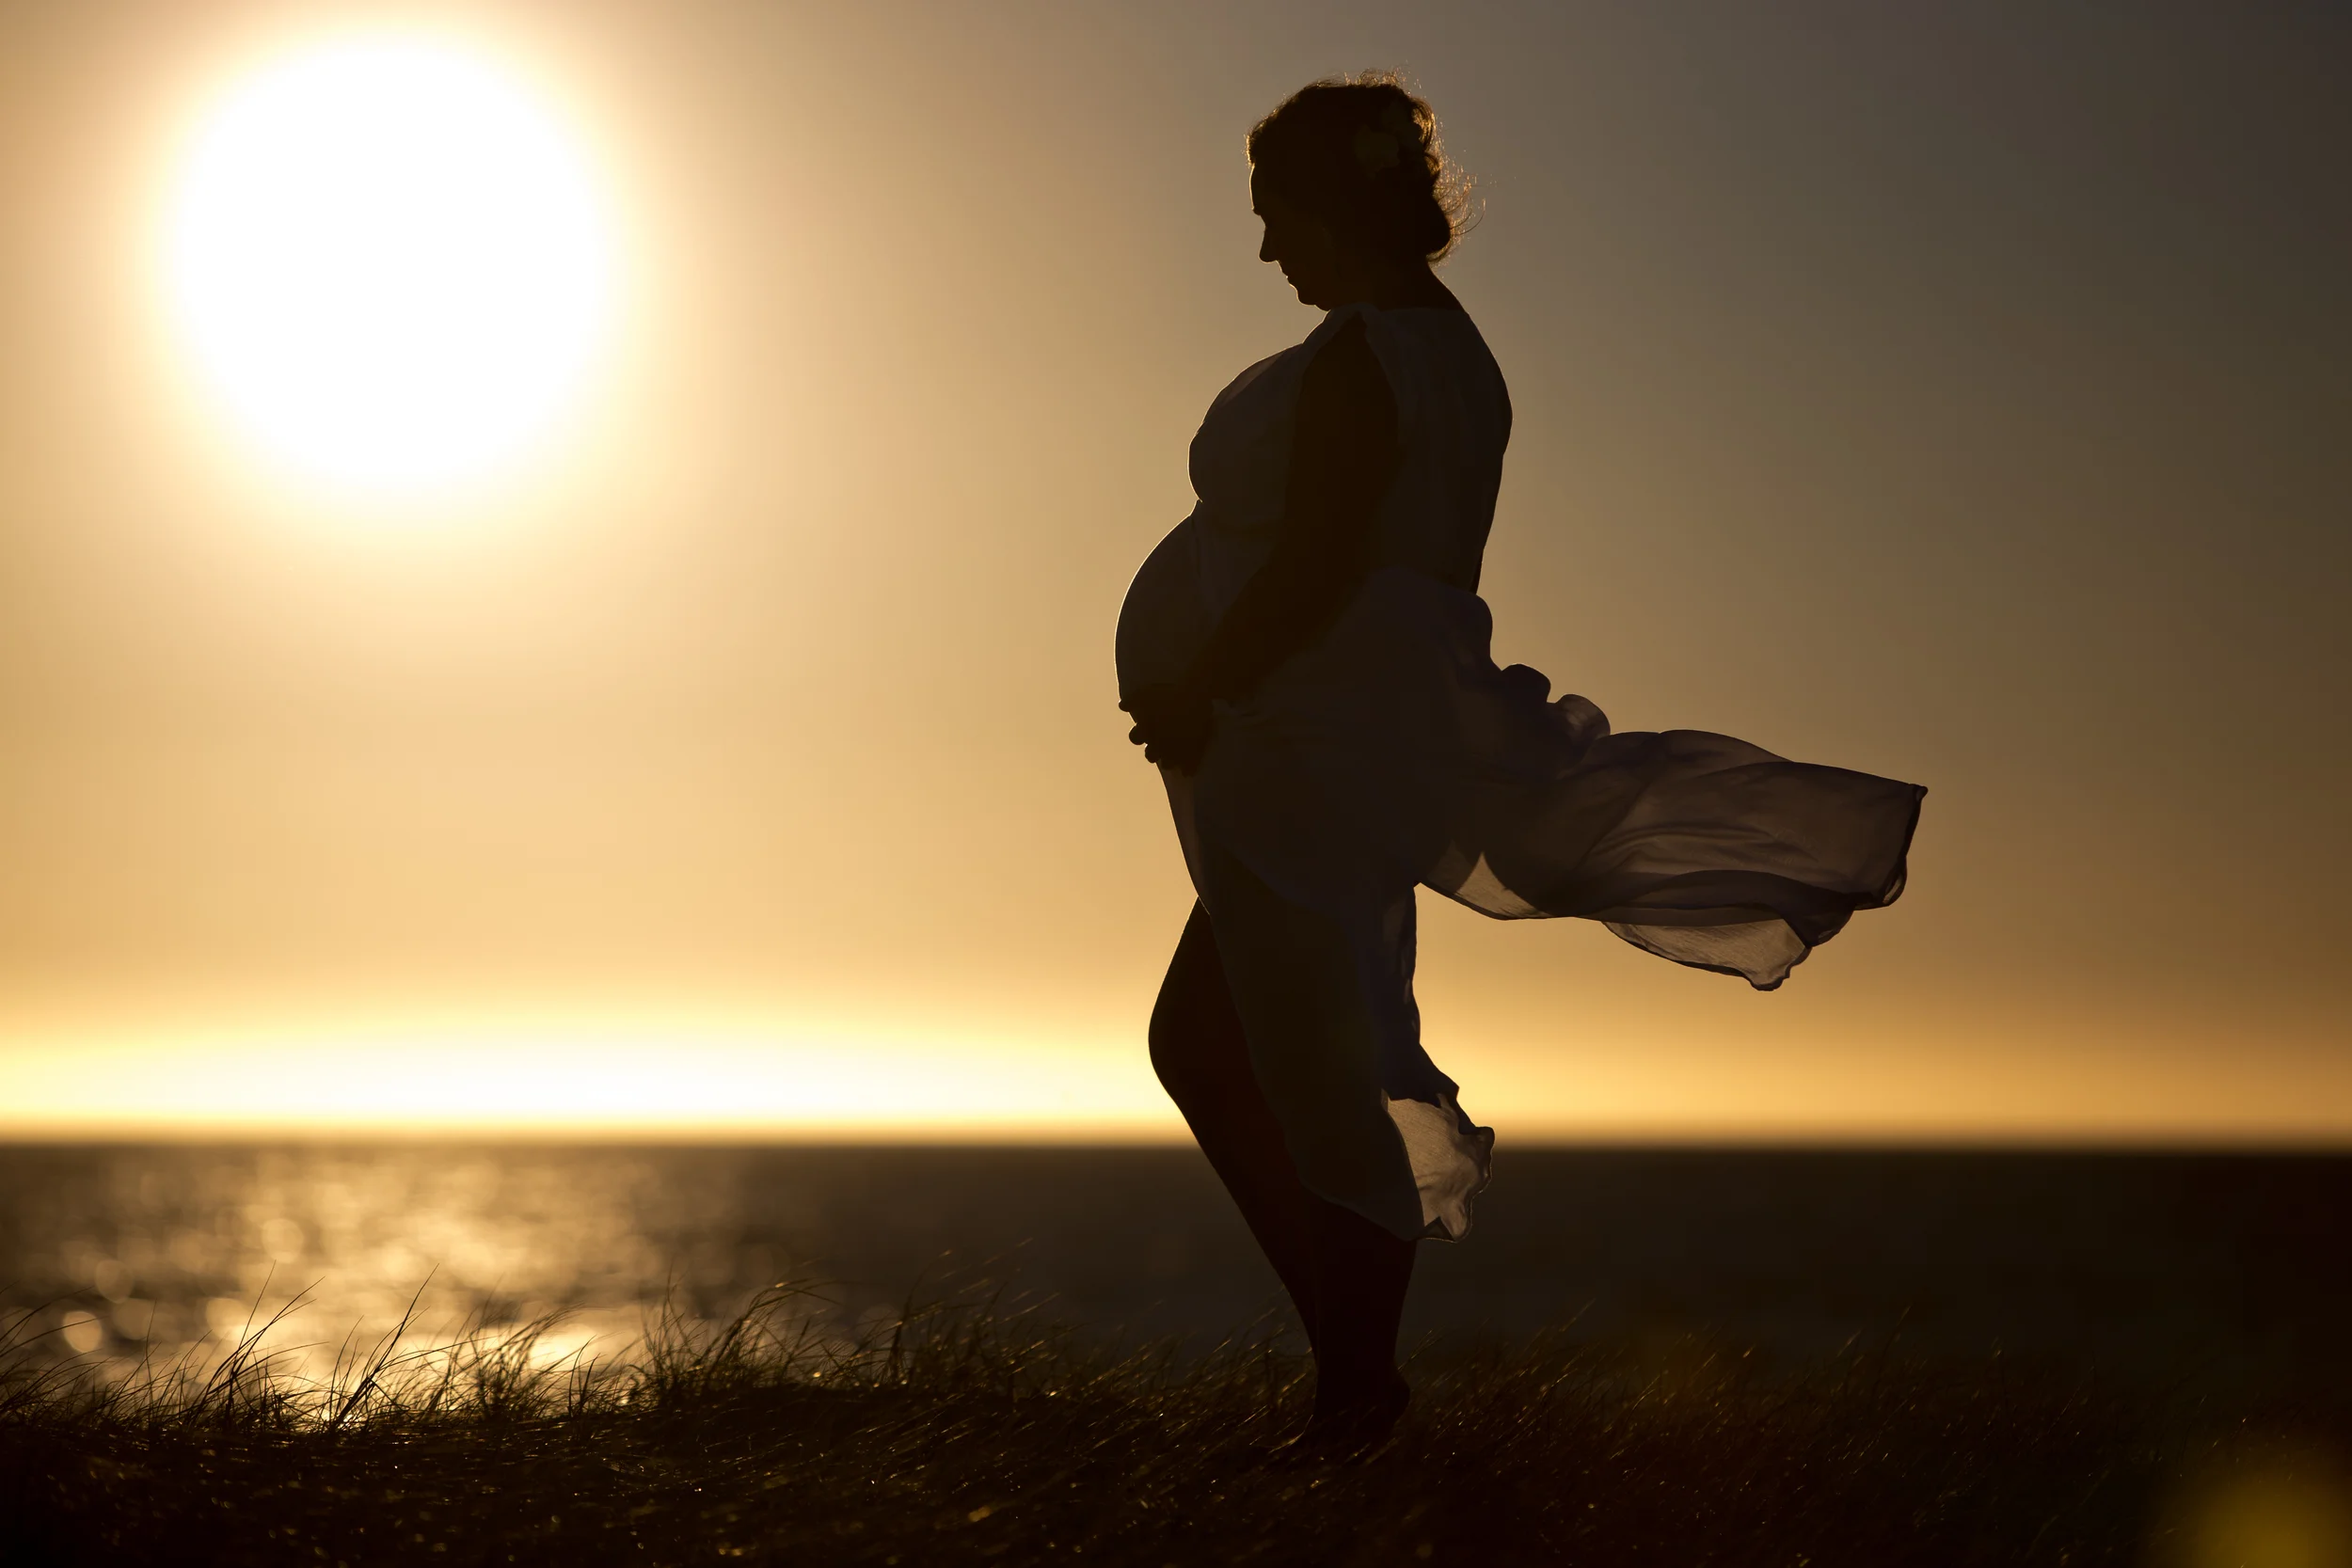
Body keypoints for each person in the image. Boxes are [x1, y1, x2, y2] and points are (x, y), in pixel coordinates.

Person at [1116, 75, 1923, 1452]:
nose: (1265, 252)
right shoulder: (1435, 348)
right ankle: (1350, 1383)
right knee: (1253, 1039)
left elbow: (1322, 560)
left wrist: (1204, 682)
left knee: (1294, 1049)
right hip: (1328, 735)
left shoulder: (1377, 354)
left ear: (1331, 201)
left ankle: (1354, 1394)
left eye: (1274, 215)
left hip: (1315, 743)